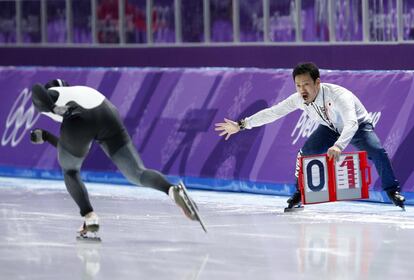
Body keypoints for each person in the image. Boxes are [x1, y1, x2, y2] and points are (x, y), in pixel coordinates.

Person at [215, 62, 405, 210]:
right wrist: (241, 125)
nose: (302, 90)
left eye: (306, 84)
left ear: (317, 82)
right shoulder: (298, 99)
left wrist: (338, 146)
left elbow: (351, 123)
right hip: (330, 127)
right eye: (298, 85)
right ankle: (300, 193)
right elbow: (273, 112)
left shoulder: (339, 96)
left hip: (358, 126)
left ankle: (392, 191)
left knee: (377, 151)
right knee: (306, 153)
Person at [30, 79, 199, 237]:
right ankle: (171, 190)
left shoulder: (54, 93)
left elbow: (36, 89)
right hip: (107, 112)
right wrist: (46, 136)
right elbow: (67, 147)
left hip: (80, 118)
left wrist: (52, 108)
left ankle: (90, 217)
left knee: (71, 171)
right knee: (137, 173)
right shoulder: (79, 91)